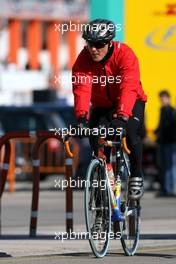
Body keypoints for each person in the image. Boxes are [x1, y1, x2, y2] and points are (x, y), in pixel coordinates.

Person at [72, 19, 147, 200]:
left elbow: (128, 87)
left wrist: (122, 116)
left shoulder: (125, 55)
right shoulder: (83, 59)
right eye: (90, 44)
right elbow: (82, 88)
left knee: (129, 132)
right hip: (102, 105)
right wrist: (81, 118)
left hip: (131, 101)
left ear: (110, 42)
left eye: (98, 44)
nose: (93, 49)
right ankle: (101, 193)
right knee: (96, 140)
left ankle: (136, 173)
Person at [155, 90, 176, 197]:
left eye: (163, 99)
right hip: (163, 142)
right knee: (163, 166)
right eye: (160, 99)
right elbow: (161, 126)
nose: (161, 101)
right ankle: (165, 189)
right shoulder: (163, 110)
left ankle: (169, 190)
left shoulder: (171, 111)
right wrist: (157, 132)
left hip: (170, 143)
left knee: (170, 167)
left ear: (168, 98)